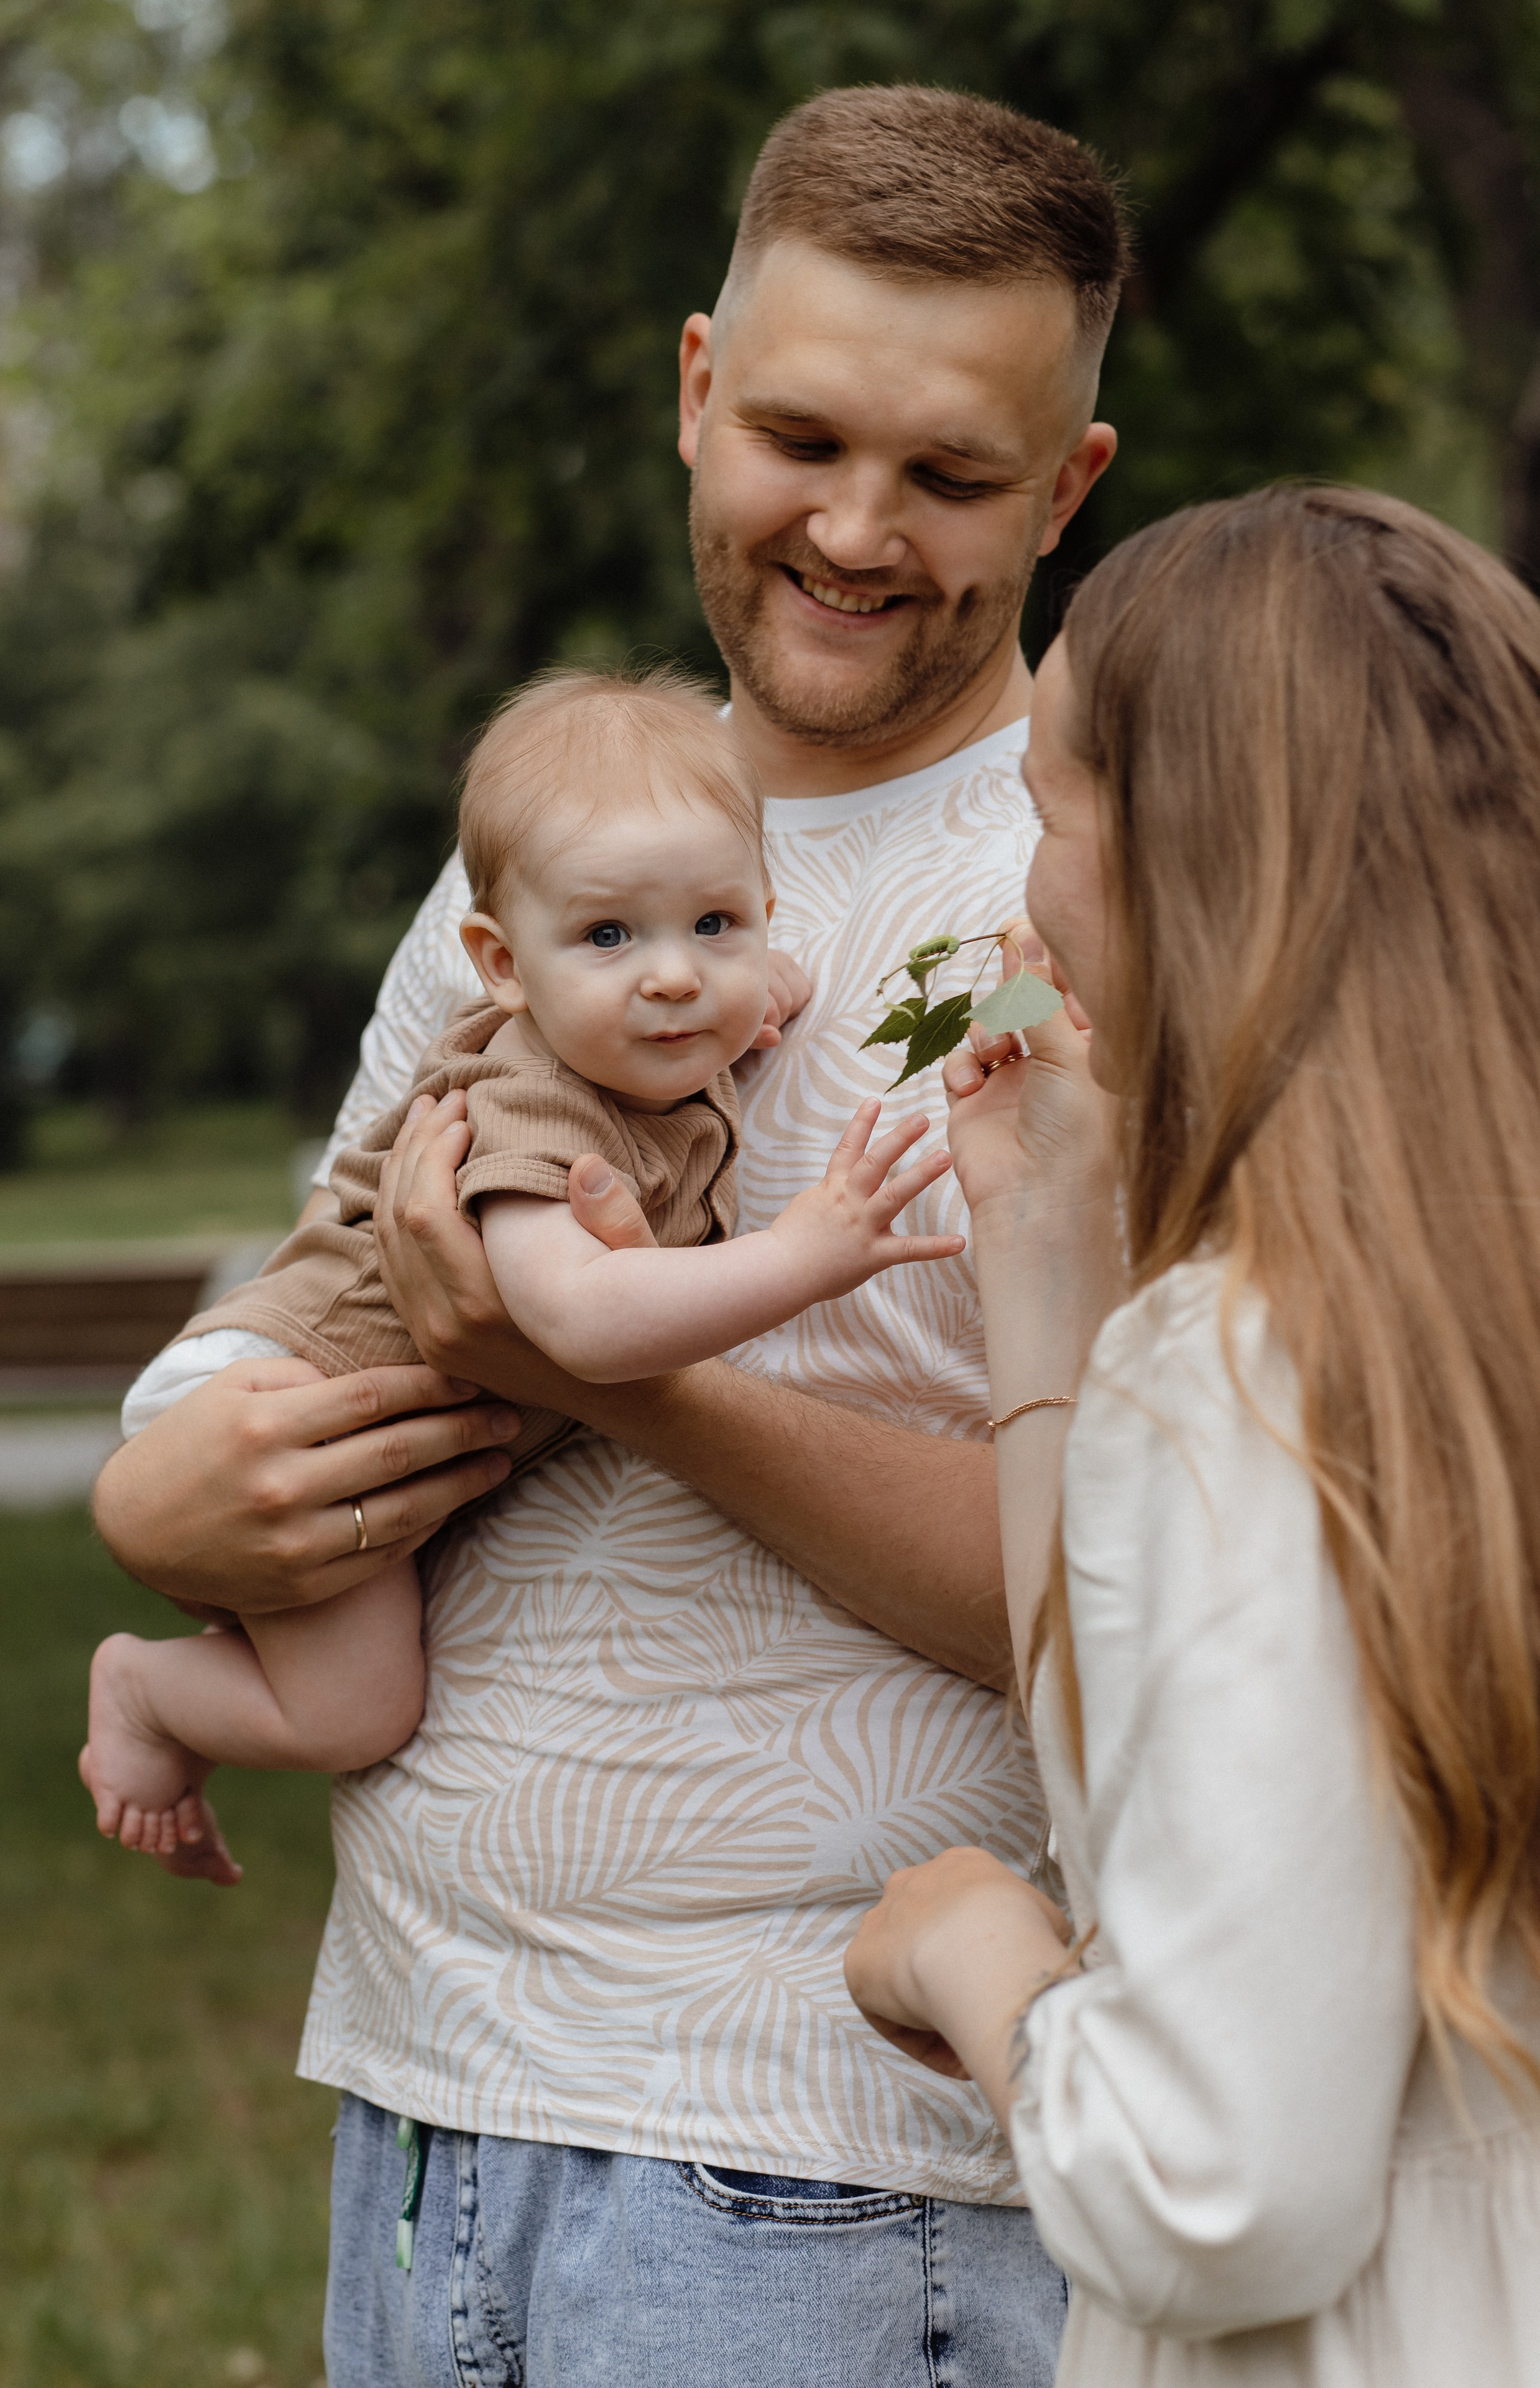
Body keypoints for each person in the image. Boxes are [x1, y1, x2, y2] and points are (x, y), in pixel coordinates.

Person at [93, 83, 1128, 2387]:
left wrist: (612, 1372)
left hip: (844, 2173)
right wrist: (165, 1498)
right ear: (691, 394)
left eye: (953, 476)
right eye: (798, 437)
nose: (856, 530)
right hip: (429, 2113)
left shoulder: (1108, 895)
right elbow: (331, 1296)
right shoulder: (560, 857)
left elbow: (1152, 1577)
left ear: (1070, 489)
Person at [846, 484, 1540, 2386]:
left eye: (1050, 810)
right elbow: (1183, 1835)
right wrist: (1055, 1267)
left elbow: (1213, 2186)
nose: (1027, 883)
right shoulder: (1441, 1343)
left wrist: (973, 1947)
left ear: (1183, 863)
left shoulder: (1247, 1375)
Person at [81, 666, 959, 1863]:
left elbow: (708, 987)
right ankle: (144, 1691)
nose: (672, 975)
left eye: (716, 923)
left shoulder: (656, 1032)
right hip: (285, 1393)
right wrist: (804, 1254)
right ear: (501, 965)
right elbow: (586, 1325)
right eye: (609, 935)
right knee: (357, 1712)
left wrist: (755, 987)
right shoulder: (532, 1107)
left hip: (349, 1414)